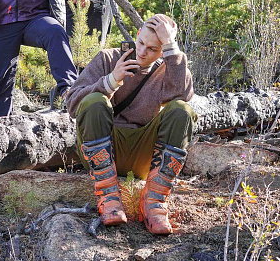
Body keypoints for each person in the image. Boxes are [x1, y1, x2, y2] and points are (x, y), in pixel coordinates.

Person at [66, 14, 197, 234]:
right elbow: (73, 104)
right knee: (94, 100)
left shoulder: (169, 70)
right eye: (141, 42)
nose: (143, 52)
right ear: (136, 35)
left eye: (153, 49)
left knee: (182, 110)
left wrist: (171, 47)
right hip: (103, 151)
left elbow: (181, 96)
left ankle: (154, 202)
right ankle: (108, 197)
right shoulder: (108, 58)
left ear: (163, 50)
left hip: (143, 155)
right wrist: (111, 81)